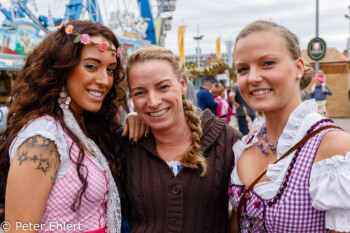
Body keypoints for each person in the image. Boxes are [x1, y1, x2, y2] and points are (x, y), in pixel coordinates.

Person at [0, 20, 126, 233]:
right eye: (92, 66)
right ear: (62, 68)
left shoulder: (81, 127)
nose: (105, 80)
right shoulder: (43, 139)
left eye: (111, 70)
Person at [228, 20, 350, 232]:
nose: (254, 78)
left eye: (268, 63)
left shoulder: (333, 147)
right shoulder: (244, 145)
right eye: (243, 69)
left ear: (298, 68)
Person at [125, 45, 242, 233]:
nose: (153, 102)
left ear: (182, 84)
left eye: (163, 87)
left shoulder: (227, 141)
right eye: (140, 92)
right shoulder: (127, 143)